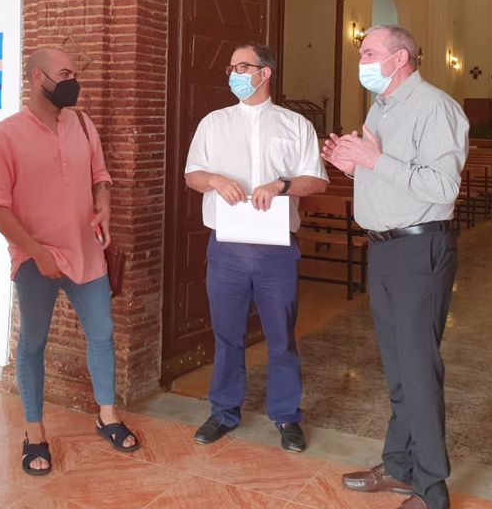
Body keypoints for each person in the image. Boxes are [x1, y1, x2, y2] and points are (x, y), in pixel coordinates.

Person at [322, 25, 468, 509]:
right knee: (398, 366)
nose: (360, 58)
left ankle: (431, 488)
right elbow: (390, 174)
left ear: (400, 58)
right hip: (384, 249)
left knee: (419, 368)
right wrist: (354, 164)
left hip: (418, 249)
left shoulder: (435, 107)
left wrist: (375, 159)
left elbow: (442, 187)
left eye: (368, 52)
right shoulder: (382, 108)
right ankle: (401, 466)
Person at [0, 47, 139, 477]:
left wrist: (103, 206)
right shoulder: (6, 135)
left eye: (74, 72)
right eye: (65, 73)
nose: (73, 81)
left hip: (87, 252)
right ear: (37, 78)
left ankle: (106, 414)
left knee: (102, 334)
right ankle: (34, 432)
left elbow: (100, 178)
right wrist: (36, 252)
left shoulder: (83, 124)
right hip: (35, 260)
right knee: (32, 343)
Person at [184, 43, 328, 453]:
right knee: (227, 334)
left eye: (241, 66)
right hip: (226, 246)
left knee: (280, 335)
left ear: (264, 73)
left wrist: (281, 185)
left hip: (275, 248)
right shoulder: (213, 123)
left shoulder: (295, 125)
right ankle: (223, 411)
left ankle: (286, 415)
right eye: (230, 67)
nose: (233, 73)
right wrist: (213, 180)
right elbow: (192, 175)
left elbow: (315, 181)